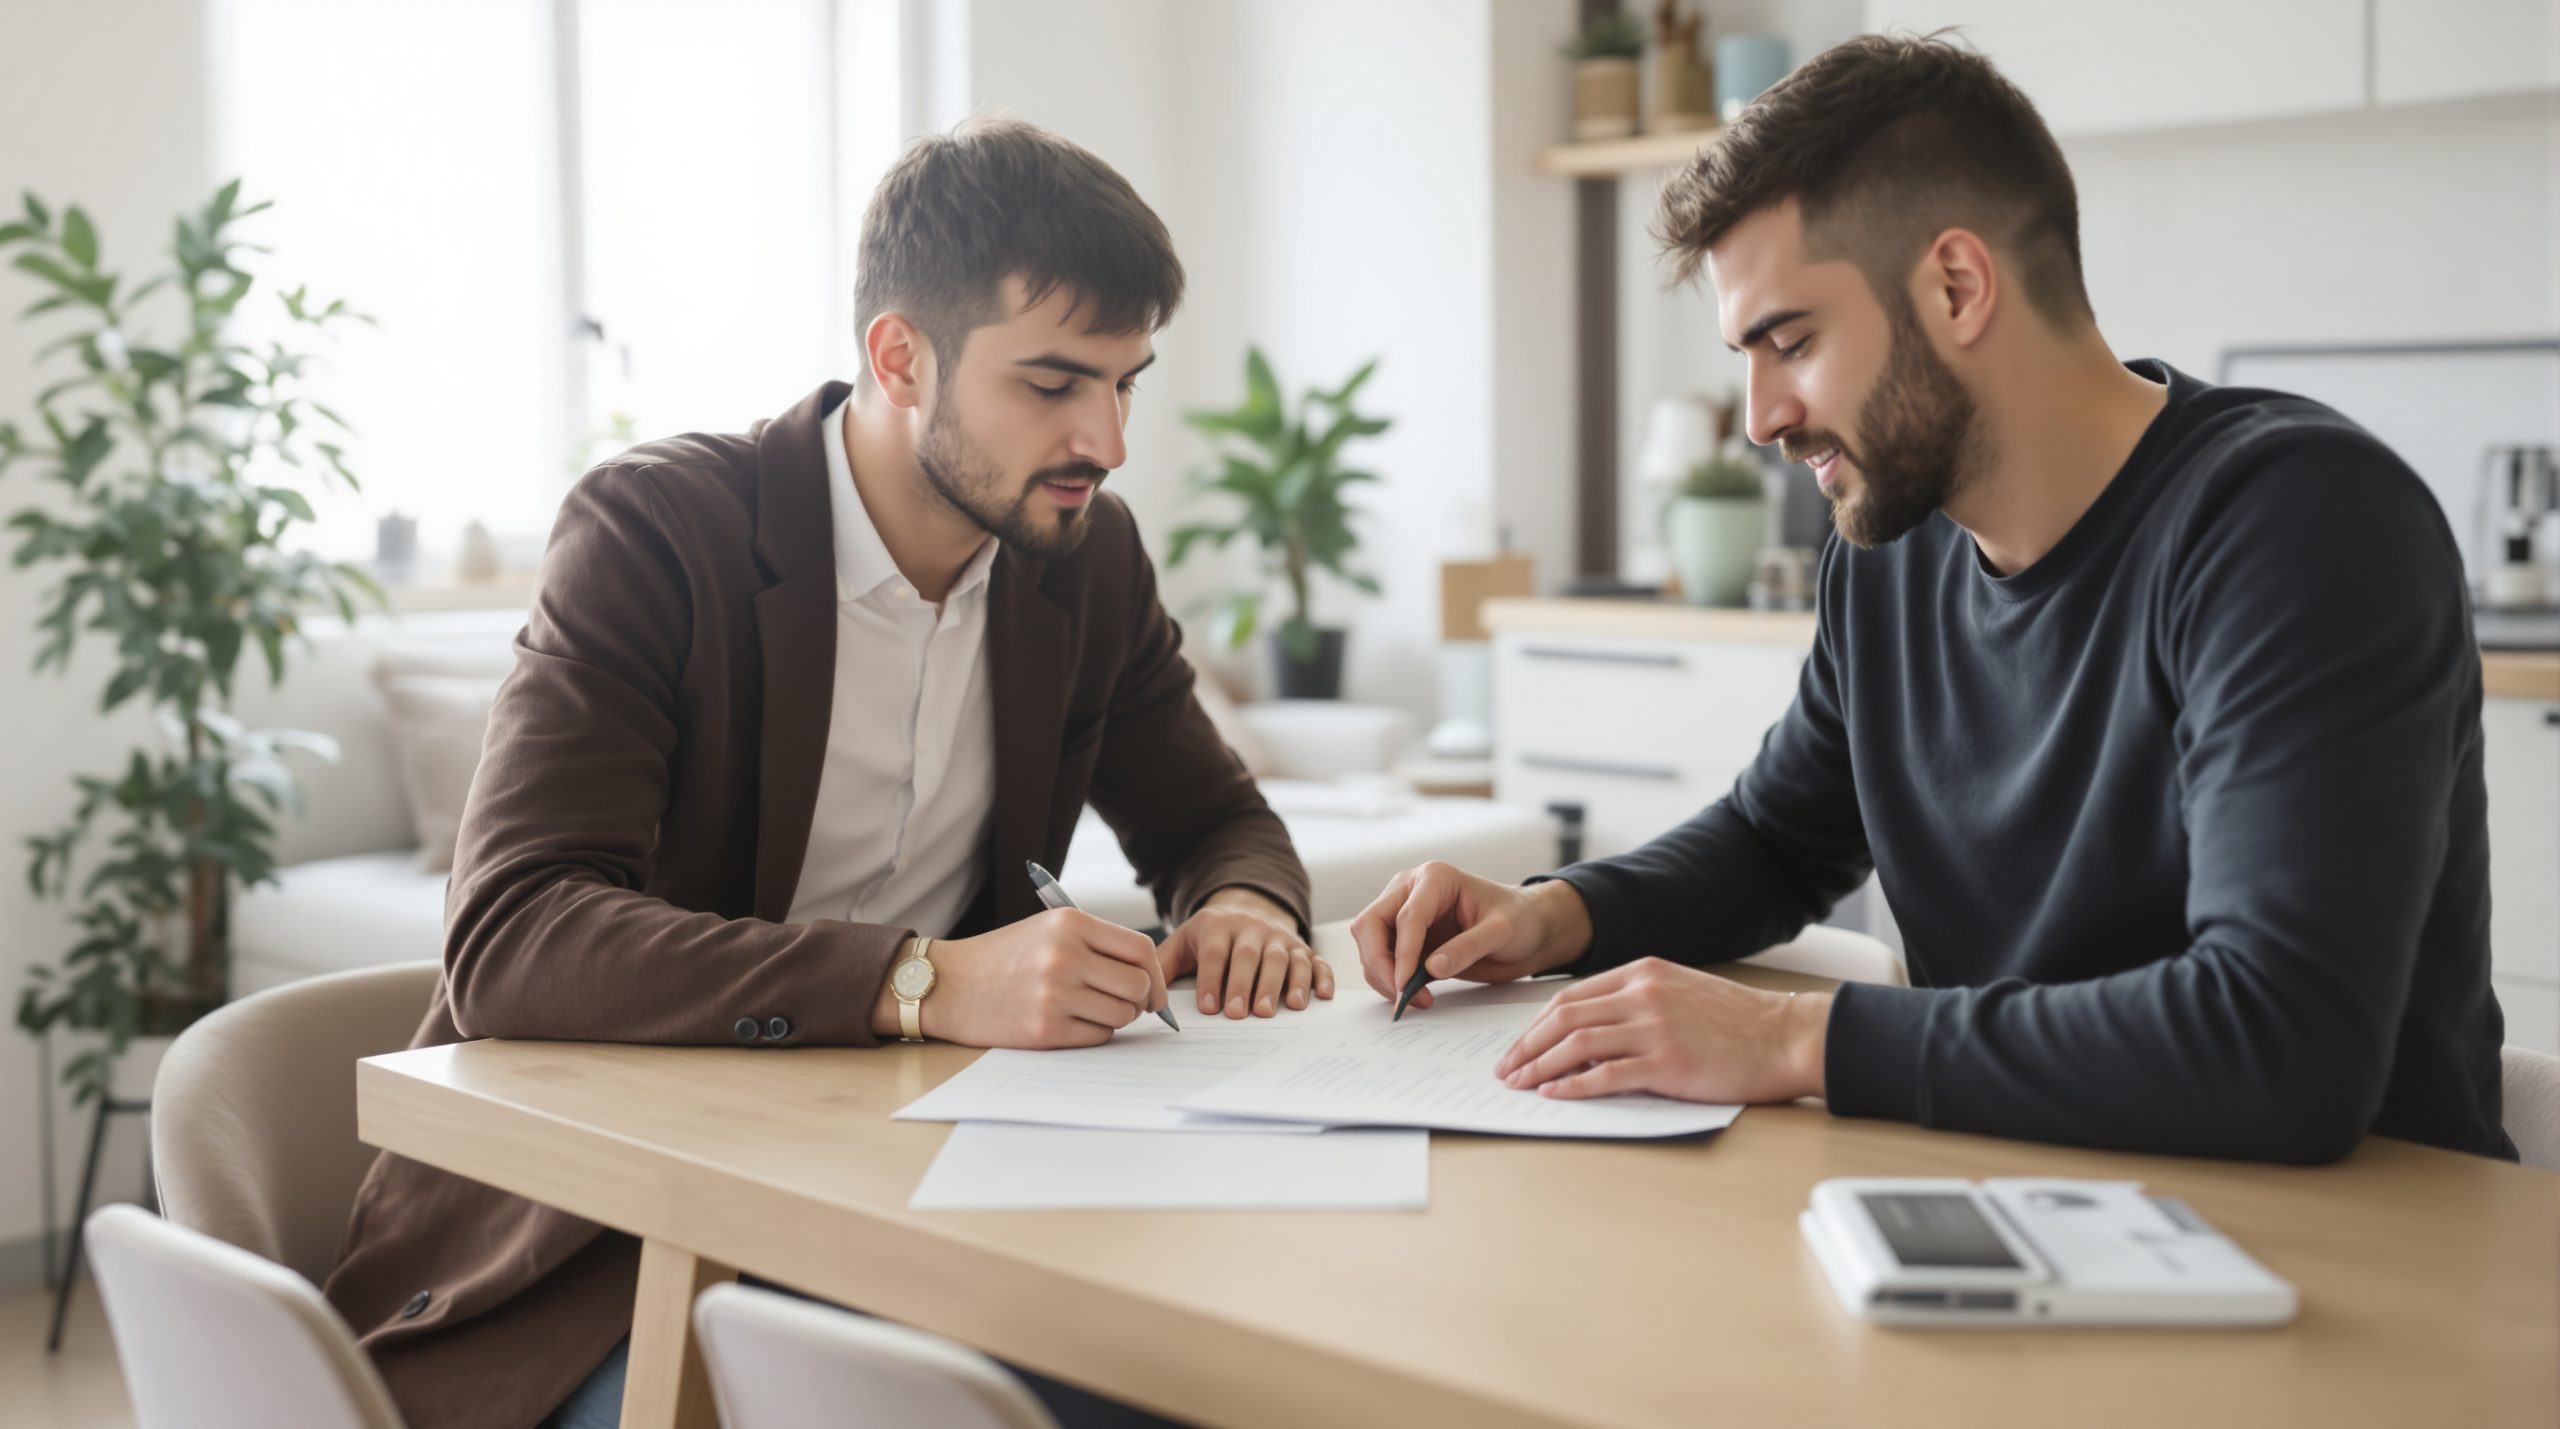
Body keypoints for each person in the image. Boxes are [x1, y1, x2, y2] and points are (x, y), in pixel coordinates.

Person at [324, 118, 1332, 1429]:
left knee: (1216, 1380)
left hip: (919, 1198)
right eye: (1053, 384)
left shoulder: (1084, 557)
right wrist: (926, 978)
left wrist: (1245, 906)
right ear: (900, 357)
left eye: (1127, 382)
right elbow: (515, 933)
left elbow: (1213, 817)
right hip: (611, 1237)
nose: (1109, 438)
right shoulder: (657, 534)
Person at [1353, 33, 2511, 1166]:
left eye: (1789, 341)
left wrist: (1791, 1036)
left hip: (2362, 1266)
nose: (1759, 418)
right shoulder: (1888, 548)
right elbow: (1774, 840)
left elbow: (2279, 1045)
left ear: (1956, 285)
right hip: (2021, 1195)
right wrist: (1552, 914)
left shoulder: (2297, 523)